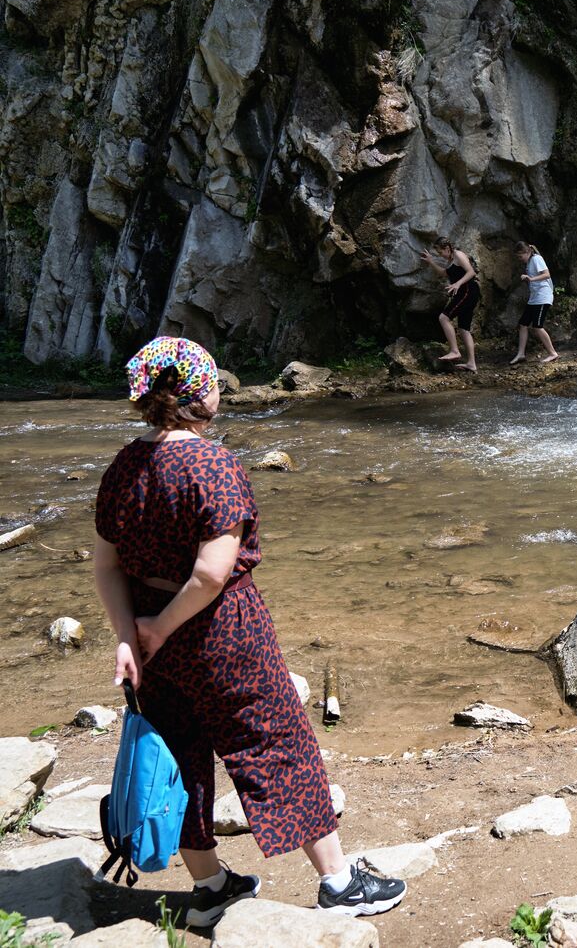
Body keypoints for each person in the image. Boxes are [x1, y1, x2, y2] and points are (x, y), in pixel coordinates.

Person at [92, 337, 406, 925]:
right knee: (275, 742)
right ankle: (339, 883)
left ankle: (211, 887)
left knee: (177, 754)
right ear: (192, 396)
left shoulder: (123, 466)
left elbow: (105, 565)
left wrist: (130, 637)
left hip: (150, 636)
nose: (219, 388)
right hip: (223, 632)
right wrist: (160, 625)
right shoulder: (212, 464)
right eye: (212, 379)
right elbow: (211, 575)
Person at [420, 236, 480, 371]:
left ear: (447, 248)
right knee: (464, 329)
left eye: (440, 252)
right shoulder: (450, 261)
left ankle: (455, 351)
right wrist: (431, 261)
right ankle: (471, 363)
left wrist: (457, 284)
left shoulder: (458, 255)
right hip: (465, 292)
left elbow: (471, 272)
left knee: (444, 317)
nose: (440, 255)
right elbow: (443, 273)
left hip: (468, 291)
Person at [510, 241, 558, 365]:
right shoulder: (529, 262)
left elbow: (547, 274)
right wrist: (528, 279)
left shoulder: (537, 259)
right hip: (534, 298)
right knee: (523, 324)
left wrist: (531, 278)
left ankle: (552, 353)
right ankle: (521, 354)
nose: (519, 259)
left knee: (537, 327)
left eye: (520, 256)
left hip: (543, 297)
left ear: (527, 252)